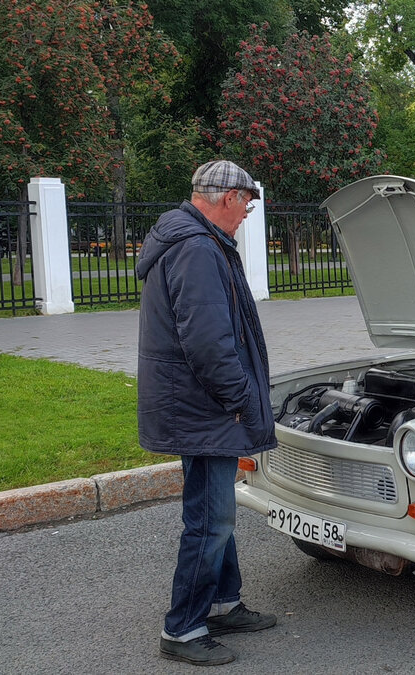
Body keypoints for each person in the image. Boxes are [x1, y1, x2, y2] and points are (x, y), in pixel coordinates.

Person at [136, 160, 278, 666]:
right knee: (211, 519)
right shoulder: (197, 248)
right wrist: (240, 399)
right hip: (209, 407)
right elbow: (208, 342)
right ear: (226, 197)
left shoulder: (195, 240)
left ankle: (222, 602)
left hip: (195, 405)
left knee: (214, 509)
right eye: (247, 202)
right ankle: (184, 627)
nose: (247, 213)